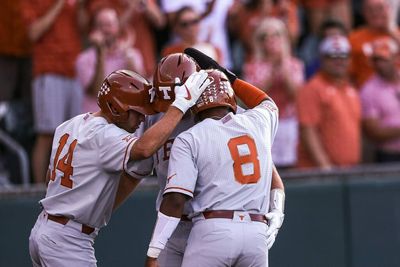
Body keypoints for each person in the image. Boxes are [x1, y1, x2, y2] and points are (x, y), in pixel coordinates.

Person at [28, 69, 211, 266]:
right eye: (137, 112)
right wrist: (180, 105)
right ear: (116, 108)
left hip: (45, 228)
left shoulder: (70, 124)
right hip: (68, 239)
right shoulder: (104, 135)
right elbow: (144, 149)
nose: (142, 119)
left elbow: (50, 179)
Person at [145, 68, 285, 267]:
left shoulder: (191, 137)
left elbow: (175, 200)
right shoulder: (259, 121)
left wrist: (153, 252)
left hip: (213, 226)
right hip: (256, 232)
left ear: (194, 105)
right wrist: (232, 79)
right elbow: (266, 101)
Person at [21, 0, 86, 184]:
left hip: (74, 68)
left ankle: (70, 185)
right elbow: (34, 33)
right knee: (47, 133)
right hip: (48, 69)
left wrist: (80, 6)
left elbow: (84, 28)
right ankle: (39, 189)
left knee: (76, 134)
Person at [243, 17, 304, 169]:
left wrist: (283, 65)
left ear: (284, 37)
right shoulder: (252, 66)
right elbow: (251, 99)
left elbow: (297, 95)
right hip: (264, 125)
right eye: (264, 36)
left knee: (293, 168)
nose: (270, 40)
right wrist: (272, 73)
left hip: (289, 124)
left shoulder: (295, 64)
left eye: (275, 34)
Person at [296, 35, 361, 169]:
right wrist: (325, 167)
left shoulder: (350, 88)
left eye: (343, 56)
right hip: (320, 173)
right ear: (322, 59)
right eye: (332, 56)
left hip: (348, 171)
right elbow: (308, 131)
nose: (339, 61)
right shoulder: (312, 88)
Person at [76, 6, 144, 113]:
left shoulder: (132, 54)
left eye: (109, 24)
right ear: (94, 30)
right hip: (96, 122)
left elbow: (141, 88)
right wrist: (101, 52)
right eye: (101, 25)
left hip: (125, 122)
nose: (106, 29)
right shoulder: (84, 59)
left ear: (118, 27)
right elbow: (97, 91)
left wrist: (127, 53)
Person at [360, 37, 400, 162]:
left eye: (383, 59)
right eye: (376, 60)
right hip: (389, 155)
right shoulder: (369, 90)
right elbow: (373, 131)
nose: (379, 65)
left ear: (395, 58)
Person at [349, 0, 400, 89]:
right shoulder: (354, 38)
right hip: (366, 93)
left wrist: (391, 31)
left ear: (389, 10)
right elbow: (349, 74)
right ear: (364, 13)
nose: (375, 13)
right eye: (370, 10)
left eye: (380, 9)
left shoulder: (397, 34)